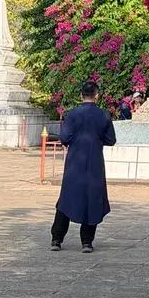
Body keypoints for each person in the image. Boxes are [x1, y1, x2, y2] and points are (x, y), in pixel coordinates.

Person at [50, 80, 117, 253]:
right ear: (97, 96)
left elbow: (64, 138)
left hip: (74, 163)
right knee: (92, 200)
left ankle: (56, 239)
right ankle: (87, 241)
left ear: (81, 96)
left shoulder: (72, 114)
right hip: (94, 162)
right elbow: (111, 140)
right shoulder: (103, 115)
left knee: (66, 199)